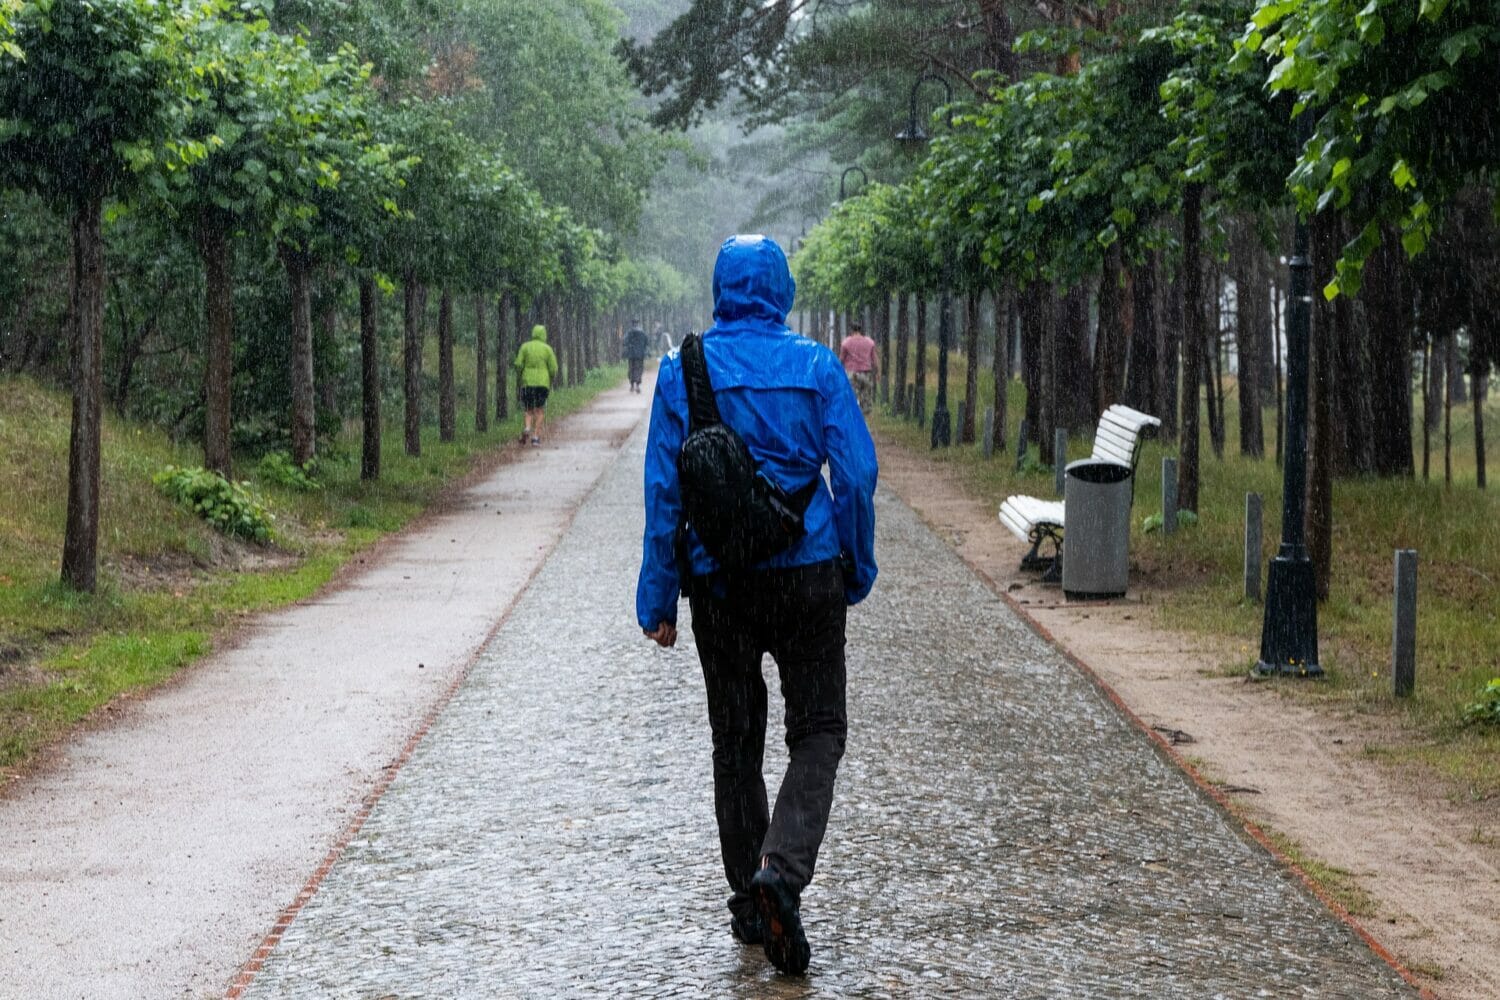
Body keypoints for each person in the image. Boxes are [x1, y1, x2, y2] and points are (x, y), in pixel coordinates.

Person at [636, 235, 878, 976]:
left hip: (721, 583)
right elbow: (858, 475)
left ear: (719, 288)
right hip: (808, 576)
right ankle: (783, 869)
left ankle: (750, 899)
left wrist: (659, 594)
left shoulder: (684, 370)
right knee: (820, 731)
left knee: (736, 743)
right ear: (783, 290)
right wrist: (855, 564)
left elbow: (663, 493)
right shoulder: (815, 365)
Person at [513, 323, 558, 446]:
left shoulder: (525, 347)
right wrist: (551, 377)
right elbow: (553, 368)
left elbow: (518, 364)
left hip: (527, 383)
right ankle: (535, 437)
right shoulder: (547, 349)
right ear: (544, 335)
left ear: (533, 333)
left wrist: (521, 375)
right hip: (542, 385)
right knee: (539, 411)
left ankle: (527, 427)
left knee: (528, 410)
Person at [837, 321, 878, 414]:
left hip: (852, 374)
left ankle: (854, 420)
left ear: (851, 330)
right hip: (866, 373)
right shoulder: (869, 342)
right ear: (861, 330)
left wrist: (838, 371)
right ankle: (864, 419)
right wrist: (877, 372)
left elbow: (841, 360)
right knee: (866, 398)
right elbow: (874, 359)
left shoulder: (846, 343)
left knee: (852, 398)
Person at [624, 319, 649, 393]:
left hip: (631, 354)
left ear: (632, 324)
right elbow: (647, 342)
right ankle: (637, 385)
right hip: (640, 355)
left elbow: (625, 342)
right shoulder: (642, 333)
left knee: (631, 369)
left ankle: (632, 385)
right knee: (639, 369)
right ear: (638, 323)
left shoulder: (629, 332)